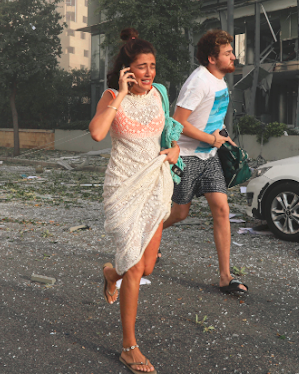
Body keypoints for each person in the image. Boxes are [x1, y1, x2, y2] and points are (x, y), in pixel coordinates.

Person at [89, 28, 179, 373]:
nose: (149, 73)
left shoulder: (159, 93)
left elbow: (170, 132)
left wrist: (173, 151)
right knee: (137, 267)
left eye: (152, 66)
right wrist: (121, 94)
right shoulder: (113, 94)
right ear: (127, 69)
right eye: (141, 66)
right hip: (123, 187)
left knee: (146, 267)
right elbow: (97, 133)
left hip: (156, 184)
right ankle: (129, 346)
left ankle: (112, 273)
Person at [162, 29, 249, 296]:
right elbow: (177, 123)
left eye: (231, 52)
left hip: (209, 158)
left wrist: (225, 138)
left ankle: (226, 277)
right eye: (227, 53)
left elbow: (213, 119)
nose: (233, 57)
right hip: (186, 157)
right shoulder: (198, 82)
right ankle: (147, 234)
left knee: (221, 209)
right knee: (179, 213)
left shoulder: (220, 82)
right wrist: (210, 140)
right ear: (212, 58)